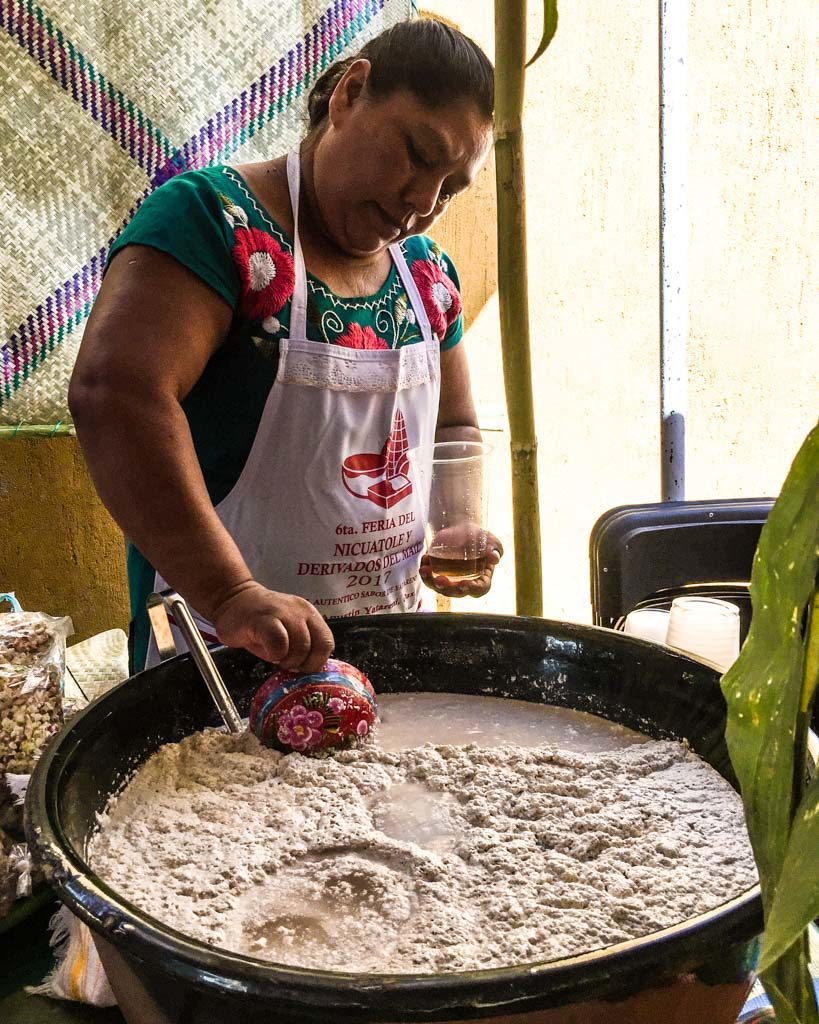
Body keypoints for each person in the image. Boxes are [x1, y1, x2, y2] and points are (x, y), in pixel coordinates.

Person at [69, 19, 503, 674]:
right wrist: (232, 594)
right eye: (416, 153)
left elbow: (454, 427)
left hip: (384, 662)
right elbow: (116, 396)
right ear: (351, 92)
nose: (422, 200)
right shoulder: (214, 221)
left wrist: (456, 520)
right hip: (222, 665)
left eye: (450, 186)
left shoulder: (426, 276)